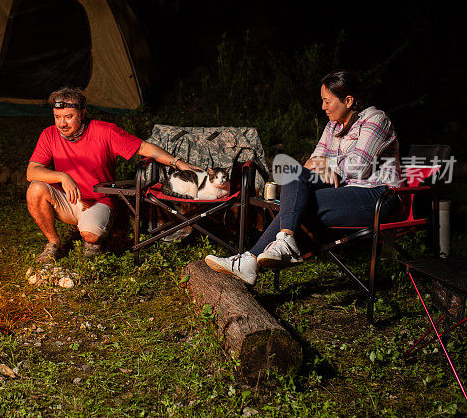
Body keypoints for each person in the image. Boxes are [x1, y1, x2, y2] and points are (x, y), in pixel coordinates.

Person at [205, 70, 402, 284]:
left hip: (379, 196)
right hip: (344, 191)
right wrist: (324, 165)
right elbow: (311, 162)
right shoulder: (333, 126)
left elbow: (358, 167)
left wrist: (326, 164)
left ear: (348, 100)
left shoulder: (375, 119)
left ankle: (251, 260)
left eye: (327, 101)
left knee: (299, 204)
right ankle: (282, 242)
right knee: (293, 173)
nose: (323, 107)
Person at [27, 87, 200, 263]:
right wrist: (62, 176)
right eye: (57, 117)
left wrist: (178, 163)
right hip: (68, 199)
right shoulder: (49, 134)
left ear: (82, 113)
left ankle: (98, 231)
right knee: (35, 188)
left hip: (98, 200)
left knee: (90, 236)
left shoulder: (105, 131)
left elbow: (144, 148)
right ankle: (53, 244)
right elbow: (32, 171)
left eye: (68, 117)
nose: (62, 124)